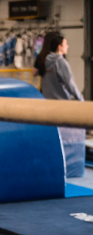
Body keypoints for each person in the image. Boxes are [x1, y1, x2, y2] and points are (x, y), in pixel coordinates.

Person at [35, 31, 85, 177]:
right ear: (59, 47)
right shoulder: (60, 61)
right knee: (65, 142)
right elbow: (70, 85)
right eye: (65, 44)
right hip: (62, 106)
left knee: (51, 141)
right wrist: (81, 101)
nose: (68, 46)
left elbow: (36, 74)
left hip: (47, 104)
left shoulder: (44, 60)